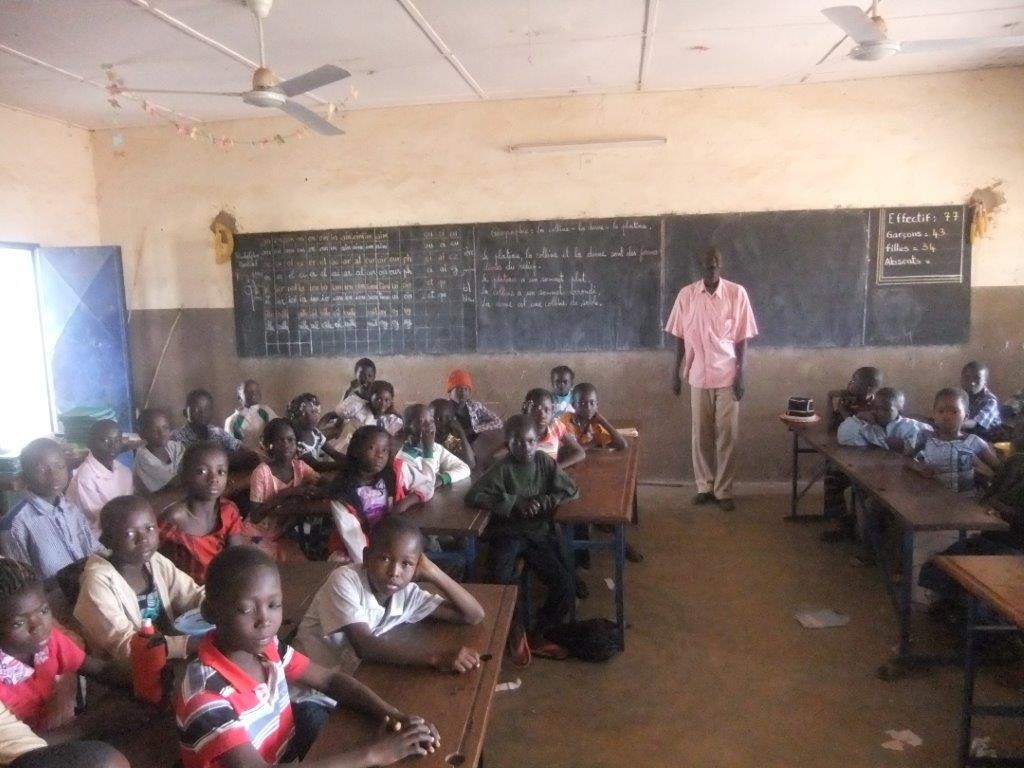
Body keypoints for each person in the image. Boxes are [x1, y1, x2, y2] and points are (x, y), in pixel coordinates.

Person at [176, 546, 440, 768]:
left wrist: (393, 714)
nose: (265, 621)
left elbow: (328, 680)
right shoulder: (205, 697)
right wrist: (375, 754)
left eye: (273, 605)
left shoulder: (266, 649)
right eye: (245, 609)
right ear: (211, 612)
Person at [295, 516, 484, 673]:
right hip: (311, 691)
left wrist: (433, 572)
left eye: (406, 564)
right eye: (385, 558)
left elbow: (473, 615)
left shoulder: (407, 594)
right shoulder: (344, 580)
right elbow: (365, 646)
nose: (394, 572)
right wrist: (438, 657)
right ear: (367, 557)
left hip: (354, 679)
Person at [0, 558, 144, 762]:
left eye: (43, 610)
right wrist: (95, 722)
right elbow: (25, 752)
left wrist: (145, 677)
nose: (38, 626)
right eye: (18, 623)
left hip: (64, 734)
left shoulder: (47, 642)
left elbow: (100, 670)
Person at [466, 414, 579, 664]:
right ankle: (513, 626)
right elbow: (474, 495)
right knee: (499, 580)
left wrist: (544, 502)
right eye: (517, 442)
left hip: (537, 533)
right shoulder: (502, 468)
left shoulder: (543, 462)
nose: (525, 448)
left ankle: (539, 631)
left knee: (564, 583)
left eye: (530, 441)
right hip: (508, 533)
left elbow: (570, 490)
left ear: (537, 441)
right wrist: (513, 502)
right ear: (508, 444)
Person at [665, 246, 758, 512]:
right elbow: (679, 337)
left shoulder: (736, 294)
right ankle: (705, 486)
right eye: (708, 263)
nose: (713, 266)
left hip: (727, 375)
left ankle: (723, 490)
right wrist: (676, 373)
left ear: (722, 264)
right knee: (700, 434)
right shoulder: (687, 295)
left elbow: (742, 338)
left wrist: (741, 372)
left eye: (717, 261)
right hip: (697, 374)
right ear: (699, 266)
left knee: (727, 435)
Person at [73, 495, 204, 664]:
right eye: (129, 533)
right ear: (107, 541)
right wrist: (187, 645)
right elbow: (126, 645)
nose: (143, 539)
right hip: (125, 672)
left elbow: (192, 595)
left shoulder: (154, 561)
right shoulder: (97, 583)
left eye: (149, 528)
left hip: (167, 655)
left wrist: (218, 608)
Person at [0, 438, 100, 586]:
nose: (54, 474)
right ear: (25, 475)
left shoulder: (71, 510)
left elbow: (93, 549)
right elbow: (22, 584)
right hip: (54, 602)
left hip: (89, 588)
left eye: (60, 466)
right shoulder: (15, 524)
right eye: (42, 469)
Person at [325, 426, 429, 563]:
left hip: (392, 539)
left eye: (385, 450)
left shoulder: (395, 472)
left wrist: (405, 502)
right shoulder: (342, 492)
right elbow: (353, 539)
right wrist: (373, 564)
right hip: (353, 547)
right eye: (372, 448)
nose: (380, 455)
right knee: (341, 564)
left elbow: (426, 485)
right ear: (356, 451)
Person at [158, 442, 247, 584]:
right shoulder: (173, 519)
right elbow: (158, 566)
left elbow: (235, 558)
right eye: (202, 471)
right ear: (184, 476)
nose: (213, 479)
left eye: (221, 472)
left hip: (221, 588)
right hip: (186, 593)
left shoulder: (228, 510)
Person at [246, 419, 324, 563]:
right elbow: (256, 516)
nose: (287, 445)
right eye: (280, 441)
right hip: (256, 534)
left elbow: (322, 482)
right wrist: (290, 491)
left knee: (301, 564)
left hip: (282, 534)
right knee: (264, 568)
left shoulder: (300, 467)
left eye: (291, 440)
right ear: (270, 445)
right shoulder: (261, 472)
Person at [821, 366, 884, 542]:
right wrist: (830, 400)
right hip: (849, 457)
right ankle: (841, 523)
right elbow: (830, 428)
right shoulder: (849, 402)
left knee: (853, 485)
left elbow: (860, 427)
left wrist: (843, 412)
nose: (850, 383)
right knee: (832, 479)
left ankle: (860, 527)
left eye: (855, 380)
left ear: (869, 388)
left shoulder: (877, 406)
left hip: (871, 461)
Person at [909, 387, 1001, 494]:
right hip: (931, 497)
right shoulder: (925, 436)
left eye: (954, 411)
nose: (946, 416)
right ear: (934, 415)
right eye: (941, 411)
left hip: (965, 501)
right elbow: (906, 459)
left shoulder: (974, 442)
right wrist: (918, 467)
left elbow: (999, 469)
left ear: (966, 416)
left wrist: (982, 474)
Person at [65, 420, 133, 535]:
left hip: (122, 525)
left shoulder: (124, 471)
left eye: (117, 440)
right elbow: (103, 518)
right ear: (89, 443)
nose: (112, 446)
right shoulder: (85, 477)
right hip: (94, 534)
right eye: (104, 440)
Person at [171, 389, 259, 471]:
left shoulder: (217, 432)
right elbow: (179, 469)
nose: (202, 413)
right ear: (185, 413)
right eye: (196, 409)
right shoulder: (175, 438)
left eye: (207, 409)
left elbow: (240, 448)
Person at [836, 387, 931, 453]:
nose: (879, 412)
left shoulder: (910, 426)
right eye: (876, 408)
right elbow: (844, 437)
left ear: (900, 410)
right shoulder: (870, 423)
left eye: (885, 409)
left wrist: (908, 445)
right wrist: (858, 417)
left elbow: (928, 433)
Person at [398, 404, 471, 490]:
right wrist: (428, 450)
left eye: (431, 420)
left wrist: (441, 478)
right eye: (422, 421)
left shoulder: (436, 448)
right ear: (407, 427)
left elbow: (464, 468)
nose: (429, 425)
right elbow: (425, 485)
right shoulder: (403, 459)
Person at [331, 381, 404, 453]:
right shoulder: (358, 407)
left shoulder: (391, 420)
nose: (382, 403)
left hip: (371, 458)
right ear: (370, 397)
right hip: (347, 450)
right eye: (378, 399)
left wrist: (395, 412)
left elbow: (402, 436)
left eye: (387, 400)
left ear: (391, 401)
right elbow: (331, 415)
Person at [522, 388, 585, 469]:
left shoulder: (556, 427)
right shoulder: (521, 430)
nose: (542, 415)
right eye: (536, 409)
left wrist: (557, 468)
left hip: (550, 475)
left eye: (547, 410)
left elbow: (580, 452)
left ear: (553, 411)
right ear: (526, 410)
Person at [286, 392, 343, 472]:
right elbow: (316, 466)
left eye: (318, 412)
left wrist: (349, 461)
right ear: (299, 416)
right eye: (313, 412)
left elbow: (333, 453)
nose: (317, 416)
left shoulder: (315, 433)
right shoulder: (297, 443)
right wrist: (342, 465)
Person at [561, 383, 627, 451]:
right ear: (574, 405)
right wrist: (593, 443)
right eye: (582, 403)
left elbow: (622, 444)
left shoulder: (595, 424)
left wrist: (603, 421)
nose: (588, 407)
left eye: (592, 403)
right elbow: (571, 450)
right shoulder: (567, 420)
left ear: (597, 405)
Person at [133, 408, 185, 493]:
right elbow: (173, 483)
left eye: (165, 428)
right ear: (142, 434)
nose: (162, 433)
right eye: (154, 430)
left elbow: (188, 459)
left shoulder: (172, 446)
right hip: (155, 502)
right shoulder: (144, 459)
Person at [445, 370, 502, 443]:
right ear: (450, 391)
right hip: (451, 448)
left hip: (476, 448)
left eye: (466, 389)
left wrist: (474, 429)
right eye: (459, 389)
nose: (463, 392)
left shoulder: (475, 407)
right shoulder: (443, 408)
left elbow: (498, 422)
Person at [224, 379, 277, 454]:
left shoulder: (266, 412)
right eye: (248, 392)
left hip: (268, 456)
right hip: (246, 459)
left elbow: (278, 429)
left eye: (257, 391)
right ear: (239, 397)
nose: (253, 394)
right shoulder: (232, 421)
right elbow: (232, 446)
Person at [429, 398, 476, 470]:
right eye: (430, 418)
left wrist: (461, 433)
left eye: (438, 418)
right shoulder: (424, 437)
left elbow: (470, 464)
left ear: (450, 419)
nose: (432, 422)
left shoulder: (452, 439)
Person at [961, 361, 1002, 440]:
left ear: (985, 383)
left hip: (990, 437)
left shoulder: (990, 400)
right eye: (967, 377)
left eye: (977, 379)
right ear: (961, 379)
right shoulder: (959, 396)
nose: (972, 383)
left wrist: (955, 423)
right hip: (970, 433)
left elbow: (977, 424)